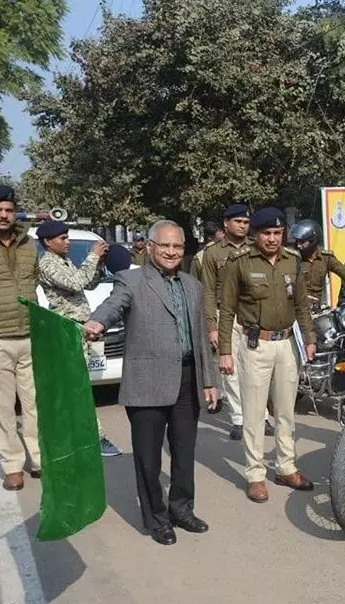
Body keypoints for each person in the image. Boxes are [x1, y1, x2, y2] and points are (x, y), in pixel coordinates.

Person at [85, 220, 217, 545]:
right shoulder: (130, 280)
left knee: (184, 454)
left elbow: (201, 337)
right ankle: (157, 519)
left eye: (177, 246)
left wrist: (209, 381)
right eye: (165, 245)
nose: (171, 252)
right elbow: (114, 305)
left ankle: (182, 510)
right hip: (147, 382)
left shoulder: (192, 285)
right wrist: (98, 321)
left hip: (187, 380)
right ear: (150, 246)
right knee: (148, 458)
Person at [218, 207, 317, 503]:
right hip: (255, 346)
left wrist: (309, 339)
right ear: (256, 234)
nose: (272, 239)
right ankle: (255, 475)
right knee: (254, 413)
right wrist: (225, 351)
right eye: (266, 233)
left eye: (277, 233)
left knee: (286, 412)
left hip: (287, 344)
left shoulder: (293, 261)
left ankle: (286, 467)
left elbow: (302, 305)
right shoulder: (240, 262)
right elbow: (227, 310)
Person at [35, 220, 123, 456]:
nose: (68, 242)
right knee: (78, 387)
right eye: (62, 238)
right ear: (47, 242)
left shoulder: (65, 261)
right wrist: (92, 256)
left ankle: (71, 437)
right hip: (65, 330)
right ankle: (94, 438)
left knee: (75, 386)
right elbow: (75, 283)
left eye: (67, 237)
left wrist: (99, 263)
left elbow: (89, 284)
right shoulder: (47, 264)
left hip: (79, 329)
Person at [199, 203, 260, 441]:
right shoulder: (212, 253)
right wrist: (211, 326)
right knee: (230, 368)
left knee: (256, 367)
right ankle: (239, 418)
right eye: (238, 222)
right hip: (225, 314)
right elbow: (207, 292)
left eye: (246, 222)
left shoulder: (256, 247)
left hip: (253, 314)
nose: (243, 226)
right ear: (226, 224)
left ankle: (261, 416)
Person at [0, 186, 40, 490]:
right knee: (2, 407)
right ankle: (12, 465)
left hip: (29, 335)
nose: (3, 215)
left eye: (8, 210)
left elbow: (34, 280)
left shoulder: (29, 244)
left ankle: (39, 458)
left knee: (33, 403)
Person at [288, 219, 345, 304]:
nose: (298, 245)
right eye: (297, 241)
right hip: (296, 305)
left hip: (315, 305)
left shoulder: (325, 257)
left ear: (313, 241)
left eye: (302, 242)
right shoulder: (292, 257)